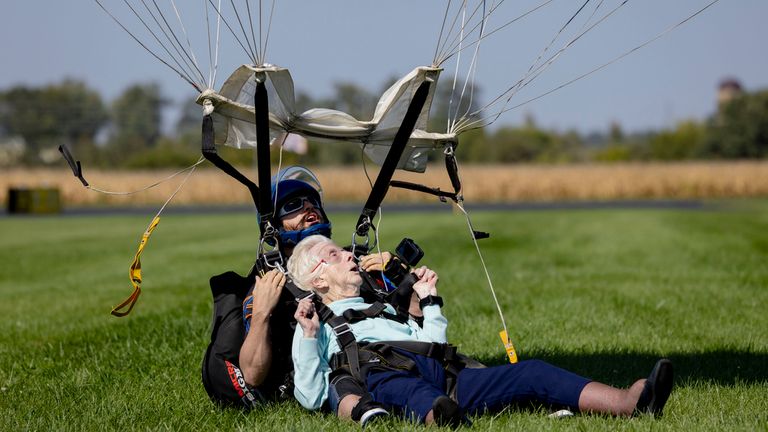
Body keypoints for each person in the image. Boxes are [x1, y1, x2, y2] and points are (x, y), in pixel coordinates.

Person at [288, 235, 674, 426]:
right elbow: (309, 395)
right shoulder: (316, 320)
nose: (349, 255)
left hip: (443, 375)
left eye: (344, 250)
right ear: (316, 279)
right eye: (334, 255)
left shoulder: (385, 306)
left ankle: (628, 403)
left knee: (533, 371)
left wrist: (430, 300)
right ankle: (446, 419)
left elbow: (434, 346)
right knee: (411, 391)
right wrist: (307, 336)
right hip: (385, 377)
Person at [237, 170, 402, 424]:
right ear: (274, 224)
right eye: (294, 205)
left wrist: (398, 276)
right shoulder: (270, 283)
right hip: (336, 380)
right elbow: (252, 375)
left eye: (312, 202)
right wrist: (261, 313)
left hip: (391, 362)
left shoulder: (355, 263)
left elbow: (417, 327)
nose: (308, 207)